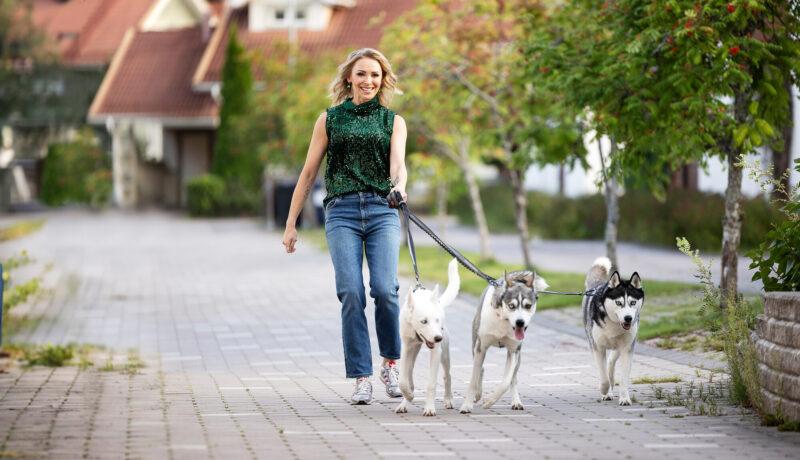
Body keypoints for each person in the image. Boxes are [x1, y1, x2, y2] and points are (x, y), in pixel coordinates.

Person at [282, 48, 408, 405]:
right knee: (351, 292)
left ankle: (390, 363)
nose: (368, 81)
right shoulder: (329, 119)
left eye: (375, 75)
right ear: (349, 78)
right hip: (342, 212)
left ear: (383, 81)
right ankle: (362, 377)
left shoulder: (393, 121)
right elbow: (308, 173)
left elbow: (399, 166)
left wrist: (399, 186)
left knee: (385, 289)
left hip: (383, 210)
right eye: (362, 74)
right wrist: (290, 223)